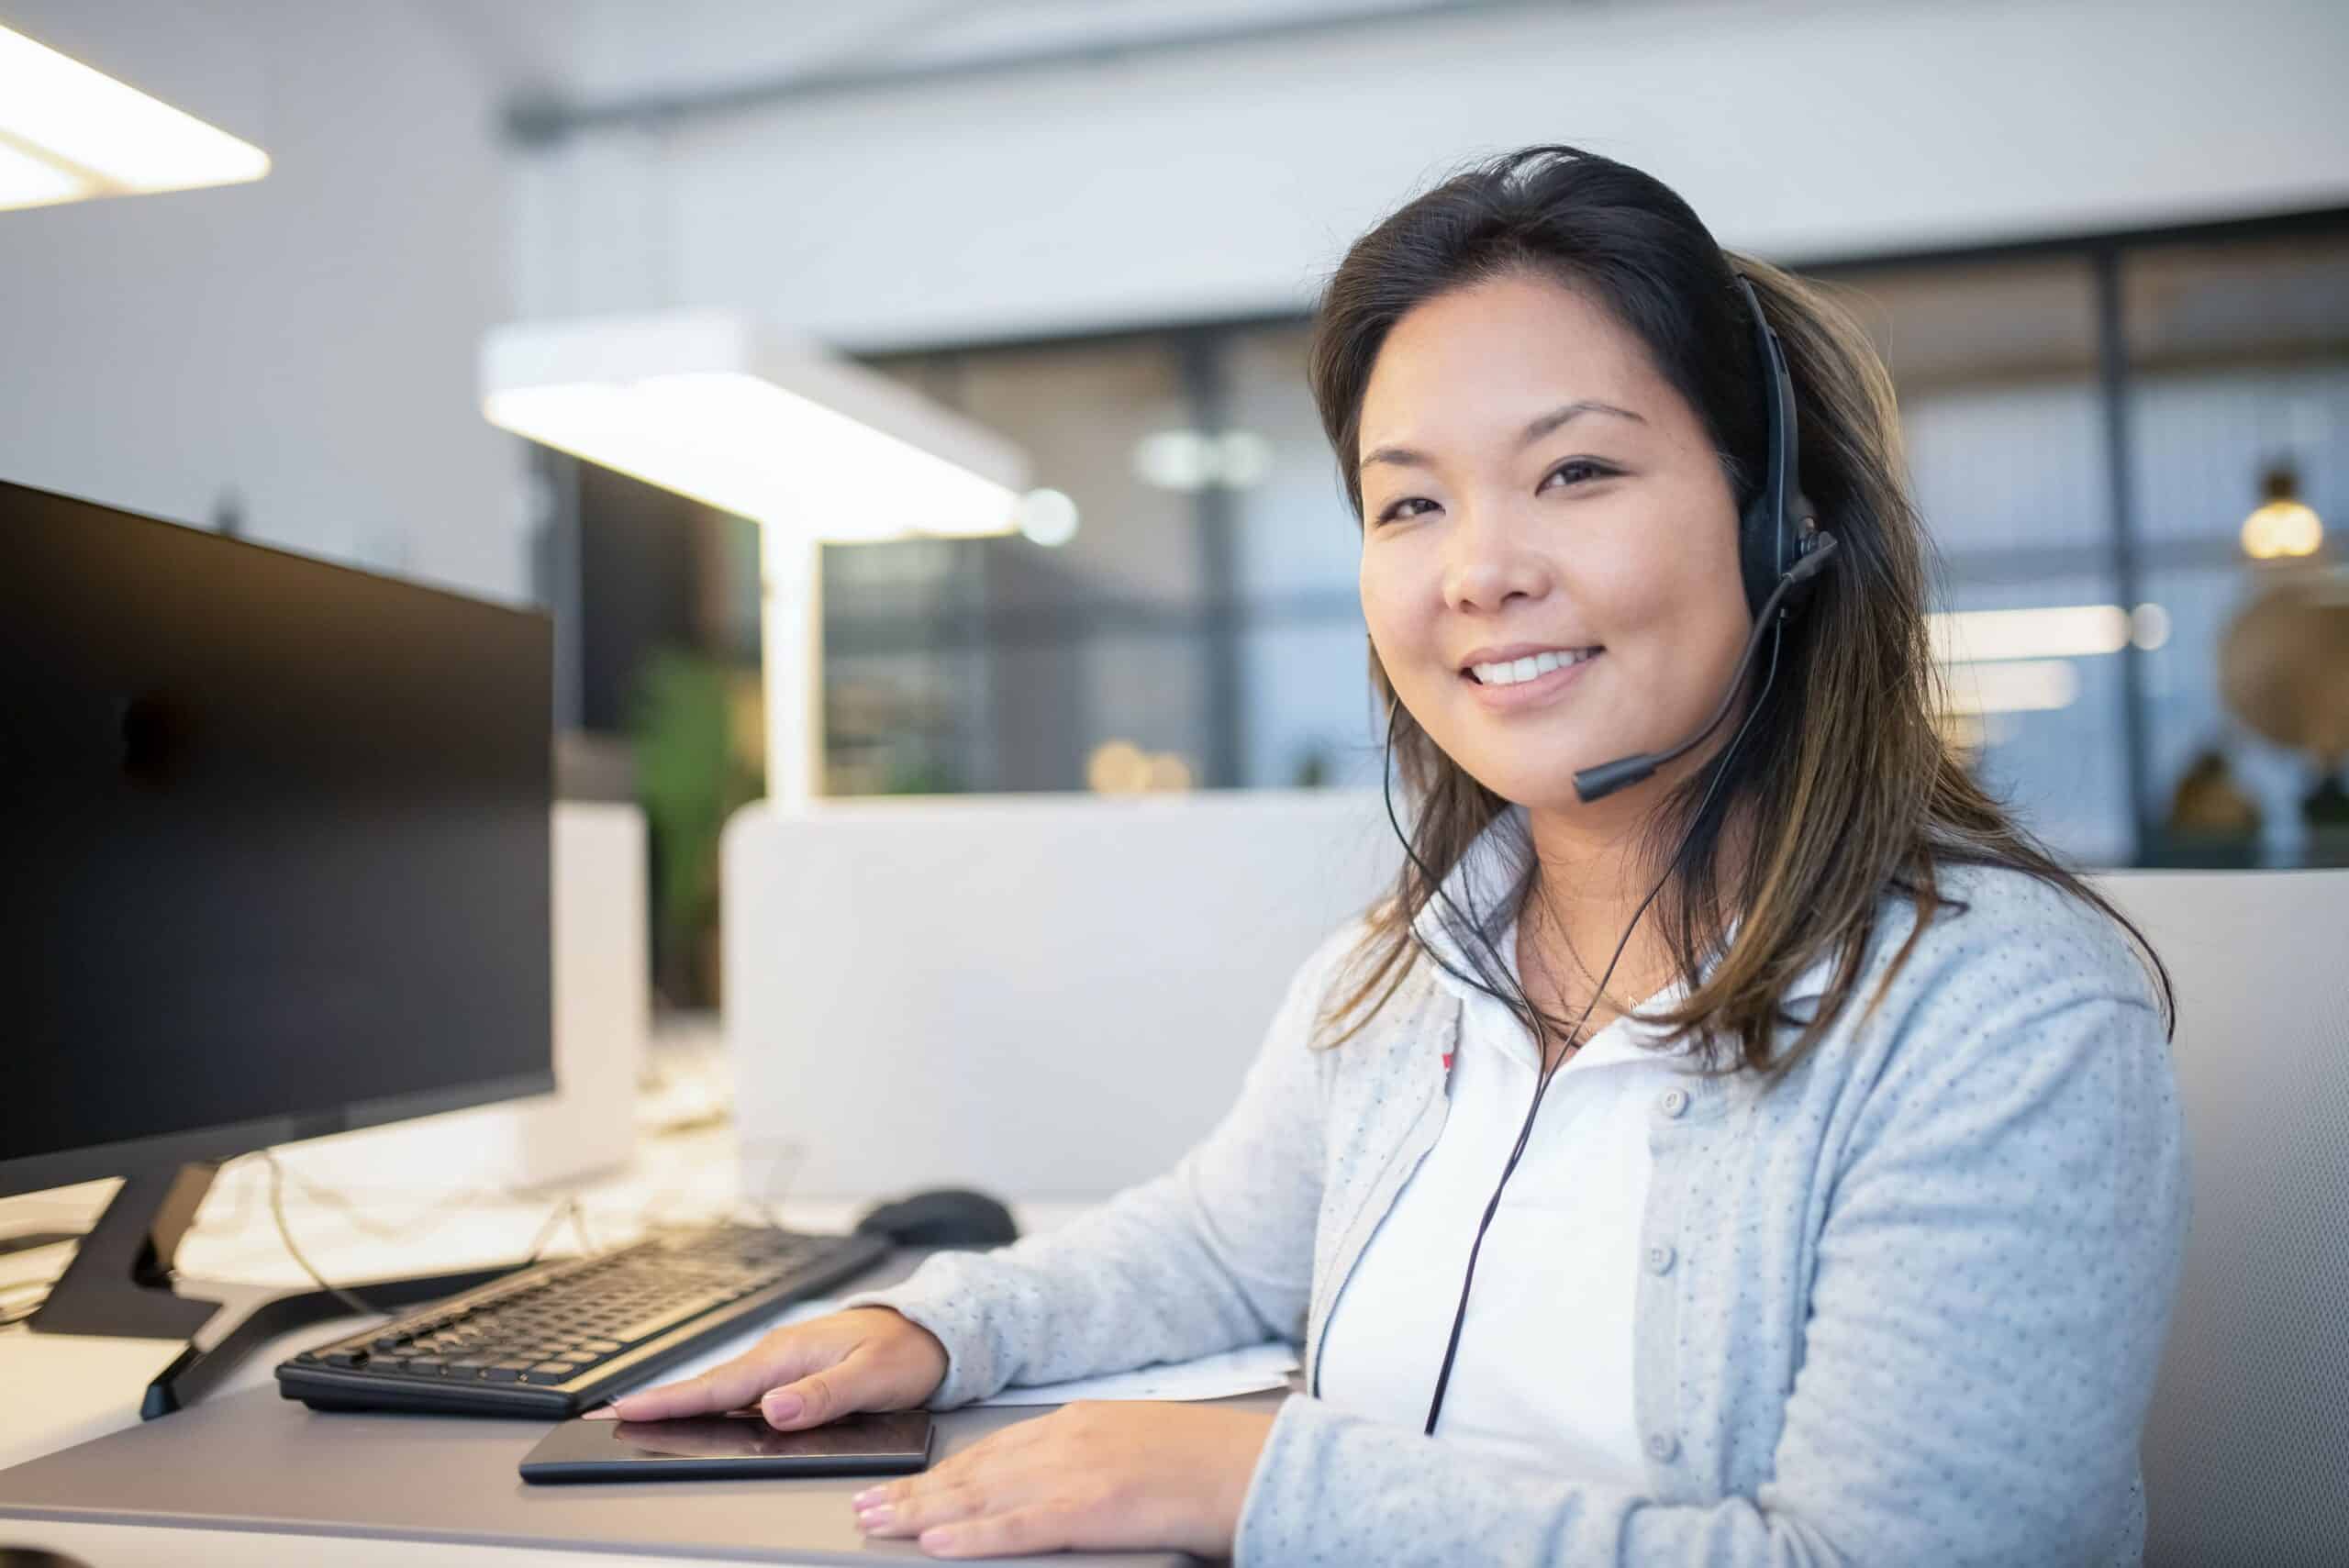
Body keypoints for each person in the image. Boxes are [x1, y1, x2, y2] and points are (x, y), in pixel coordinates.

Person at [598, 146, 2188, 1563]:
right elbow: (1221, 1242)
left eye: (1577, 471)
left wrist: (1257, 1487)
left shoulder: (1999, 1015)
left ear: (1777, 517)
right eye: (1408, 503)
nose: (1481, 571)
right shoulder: (1410, 967)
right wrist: (932, 1328)